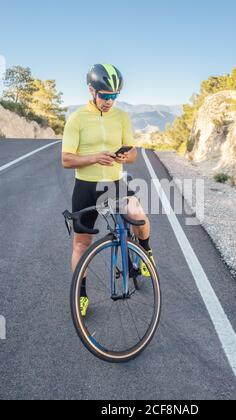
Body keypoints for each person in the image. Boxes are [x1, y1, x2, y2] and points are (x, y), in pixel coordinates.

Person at [62, 63, 155, 316]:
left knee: (138, 214)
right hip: (85, 186)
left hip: (113, 182)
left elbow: (133, 151)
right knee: (81, 244)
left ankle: (145, 250)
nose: (110, 101)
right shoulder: (77, 119)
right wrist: (94, 158)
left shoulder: (121, 116)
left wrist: (128, 157)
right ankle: (80, 294)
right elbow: (66, 159)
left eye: (115, 96)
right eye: (105, 95)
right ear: (92, 90)